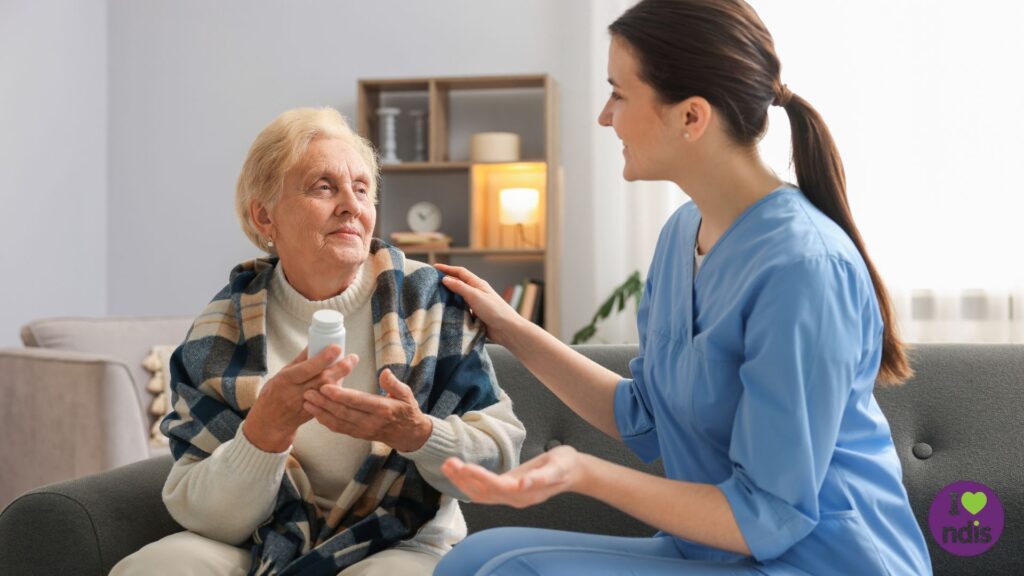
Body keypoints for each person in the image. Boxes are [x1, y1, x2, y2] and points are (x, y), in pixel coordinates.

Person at [433, 1, 932, 574]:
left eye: (619, 94)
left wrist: (584, 472)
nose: (604, 117)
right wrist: (510, 328)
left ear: (691, 117)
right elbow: (644, 414)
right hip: (716, 548)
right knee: (474, 559)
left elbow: (768, 515)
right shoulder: (681, 236)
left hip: (819, 560)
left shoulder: (804, 267)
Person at [110, 107, 525, 576]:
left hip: (402, 542)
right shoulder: (221, 327)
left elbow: (500, 459)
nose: (351, 205)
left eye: (362, 189)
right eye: (323, 187)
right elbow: (203, 513)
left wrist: (417, 434)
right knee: (155, 567)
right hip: (262, 540)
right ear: (265, 216)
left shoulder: (428, 303)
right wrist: (264, 432)